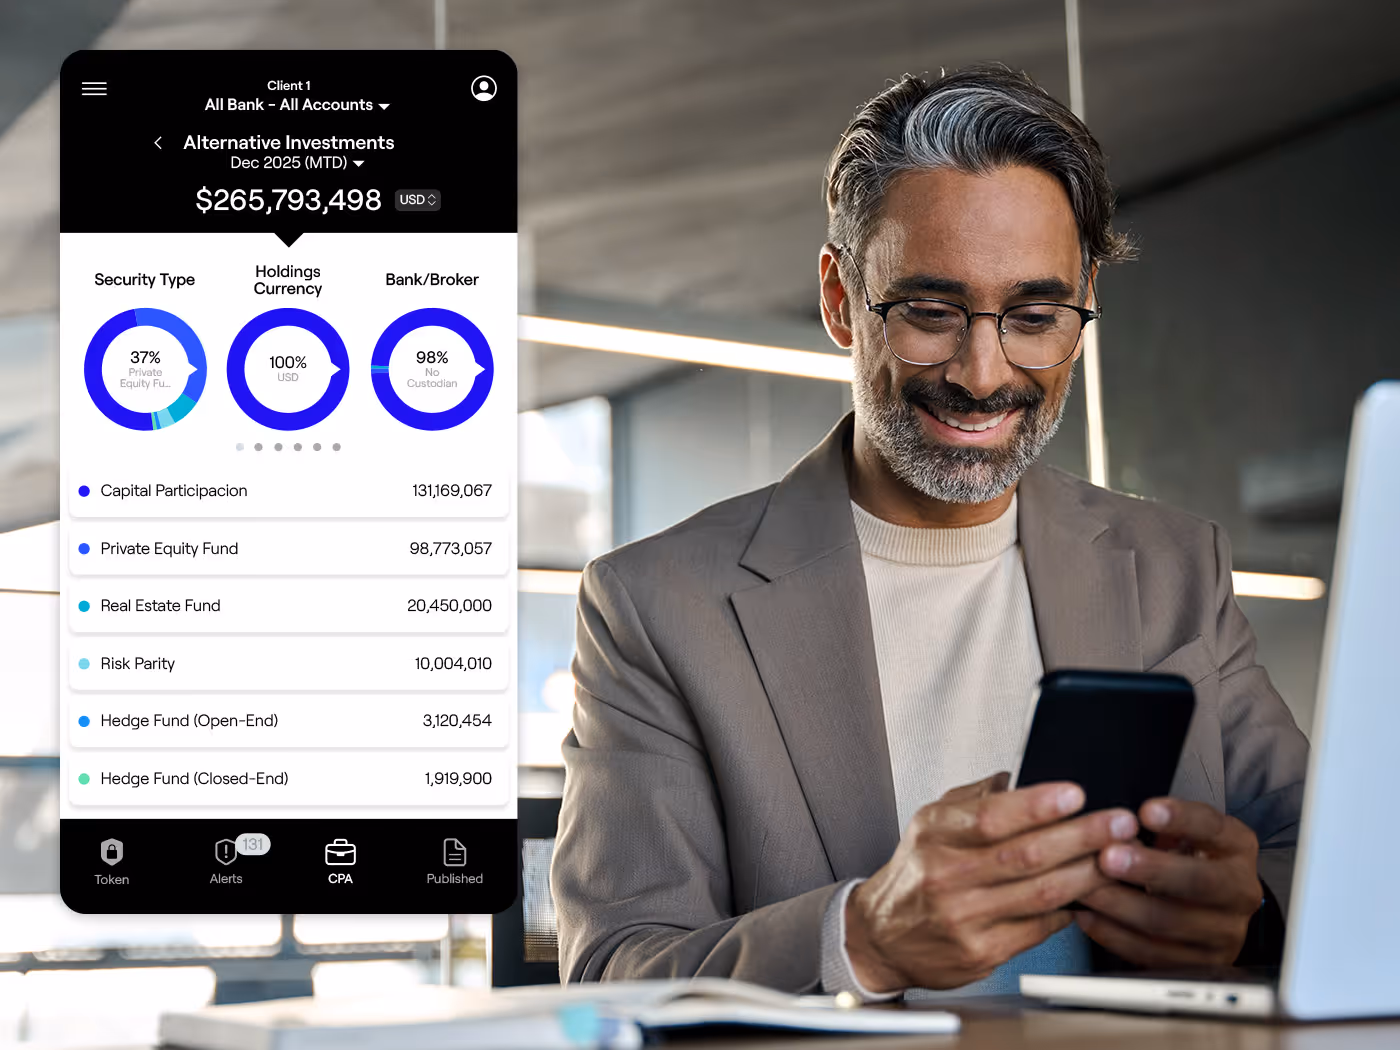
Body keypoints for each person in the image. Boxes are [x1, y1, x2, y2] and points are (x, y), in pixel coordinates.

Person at [551, 64, 1308, 999]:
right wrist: (859, 938)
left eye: (1035, 316)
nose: (985, 373)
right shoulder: (658, 607)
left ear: (1083, 301)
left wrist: (1253, 912)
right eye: (930, 312)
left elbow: (1318, 851)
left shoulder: (1176, 567)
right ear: (840, 299)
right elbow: (612, 970)